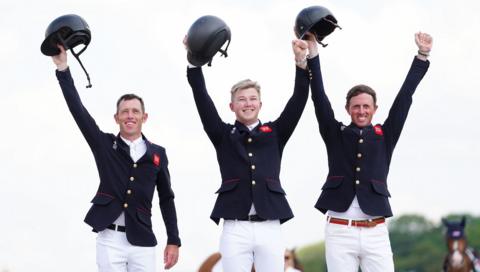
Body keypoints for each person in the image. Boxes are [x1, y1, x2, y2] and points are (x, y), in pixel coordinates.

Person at [185, 35, 314, 271]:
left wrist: (301, 64)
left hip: (270, 225)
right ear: (232, 106)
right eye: (241, 100)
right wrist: (194, 64)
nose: (248, 103)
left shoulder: (275, 133)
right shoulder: (223, 135)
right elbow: (202, 99)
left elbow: (298, 100)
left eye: (253, 99)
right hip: (235, 227)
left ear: (260, 104)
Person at [309, 32, 433, 271]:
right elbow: (319, 98)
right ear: (347, 109)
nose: (362, 111)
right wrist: (313, 54)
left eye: (366, 106)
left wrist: (422, 56)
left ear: (375, 109)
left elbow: (404, 97)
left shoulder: (385, 135)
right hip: (339, 230)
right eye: (356, 106)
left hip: (375, 231)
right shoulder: (335, 134)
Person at [51, 45, 181, 271]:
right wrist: (63, 68)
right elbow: (78, 111)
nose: (130, 116)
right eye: (124, 112)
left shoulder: (158, 154)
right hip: (109, 240)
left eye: (135, 111)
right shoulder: (104, 145)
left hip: (143, 241)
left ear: (144, 117)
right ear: (116, 117)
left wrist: (173, 239)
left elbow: (166, 199)